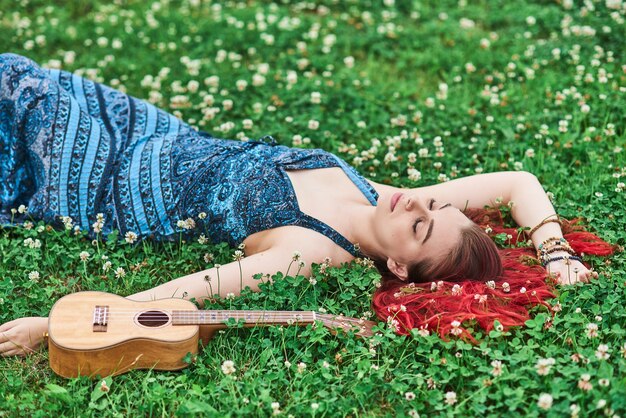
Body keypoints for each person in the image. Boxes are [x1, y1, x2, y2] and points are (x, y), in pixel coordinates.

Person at [0, 53, 603, 357]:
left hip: (96, 182)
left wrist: (48, 328)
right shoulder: (391, 202)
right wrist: (554, 252)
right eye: (431, 205)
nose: (418, 201)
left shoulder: (310, 250)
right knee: (19, 77)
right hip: (152, 131)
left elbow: (187, 292)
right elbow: (518, 181)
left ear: (397, 267)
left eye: (421, 227)